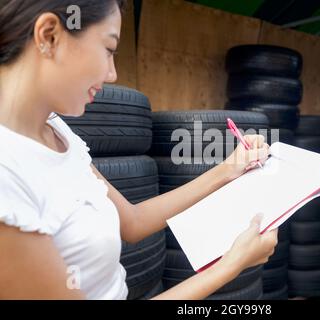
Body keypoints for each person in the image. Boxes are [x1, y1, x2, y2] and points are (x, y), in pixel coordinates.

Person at [0, 0, 278, 299]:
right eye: (108, 50)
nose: (112, 74)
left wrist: (227, 170)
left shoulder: (56, 130)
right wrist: (231, 265)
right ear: (49, 35)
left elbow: (131, 222)